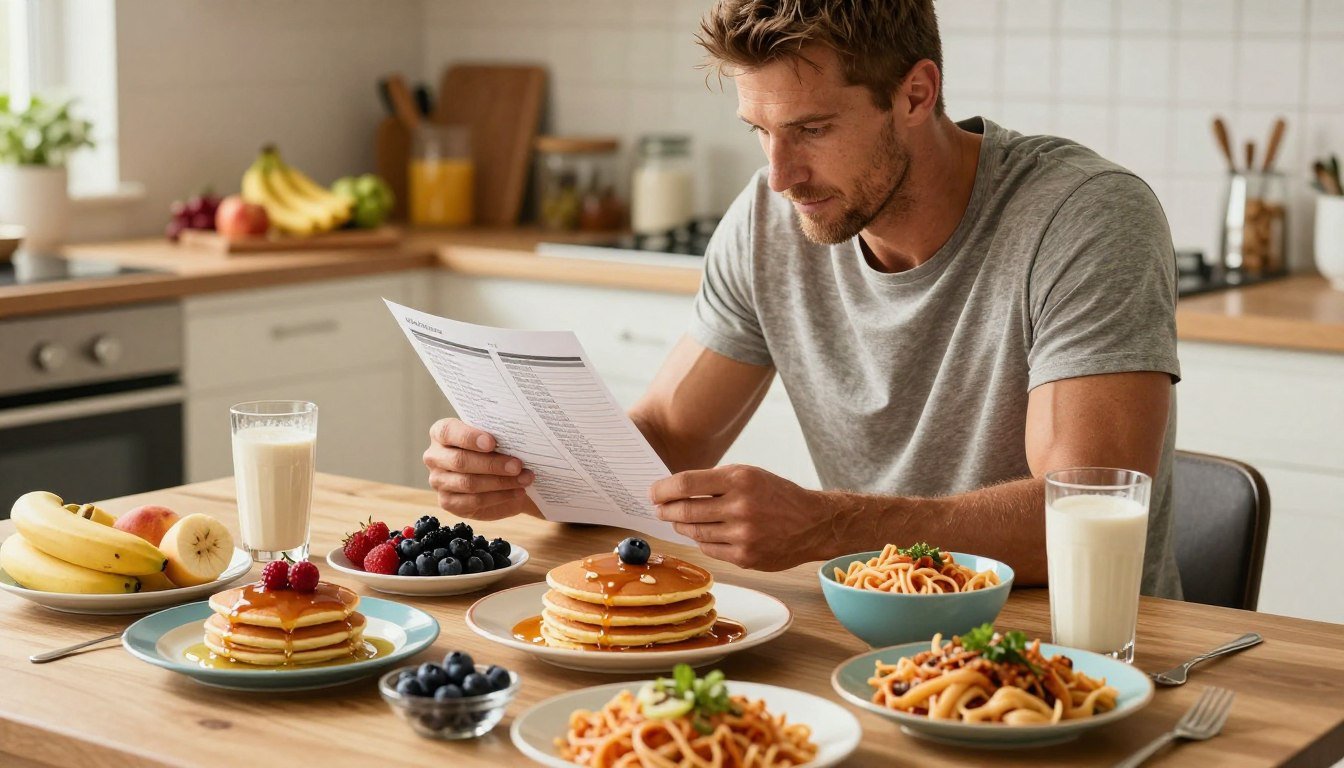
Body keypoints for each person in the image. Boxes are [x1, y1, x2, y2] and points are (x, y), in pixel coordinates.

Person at [422, 0, 1182, 598]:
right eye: (760, 130)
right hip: (867, 634)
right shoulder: (768, 219)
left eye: (812, 129)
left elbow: (1081, 514)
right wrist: (526, 473)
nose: (781, 175)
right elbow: (669, 441)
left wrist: (830, 524)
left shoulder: (1084, 215)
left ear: (917, 93)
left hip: (1070, 650)